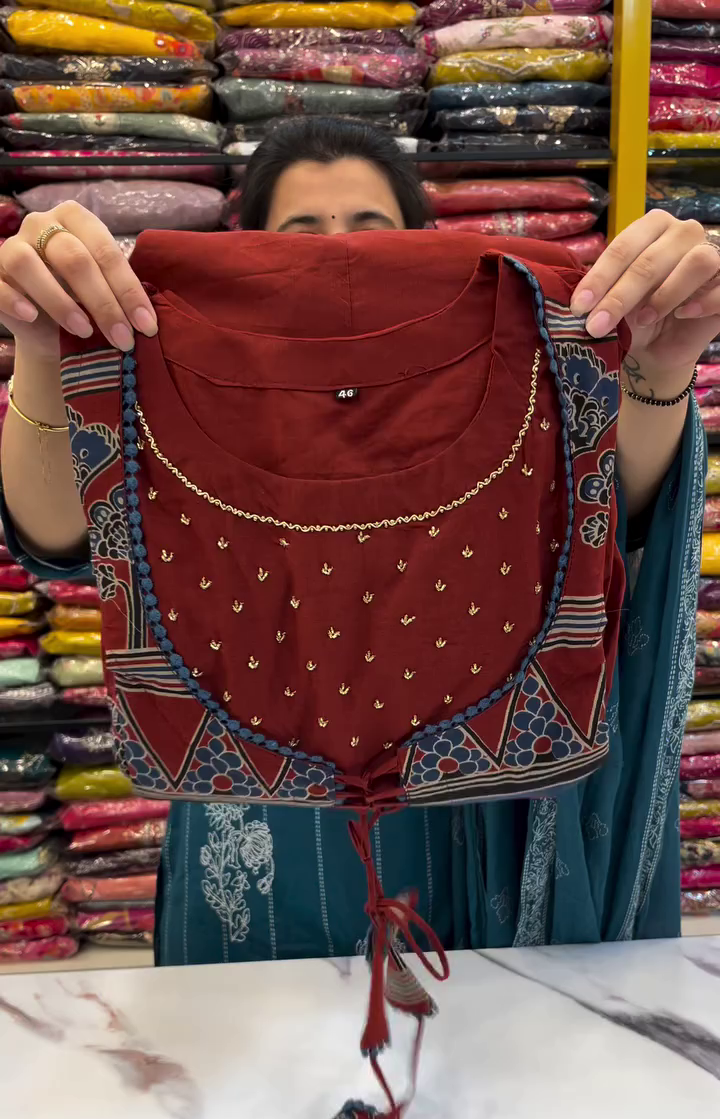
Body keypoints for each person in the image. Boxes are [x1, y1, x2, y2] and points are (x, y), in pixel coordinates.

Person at [0, 118, 712, 963]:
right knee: (242, 1042)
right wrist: (44, 348)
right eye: (299, 238)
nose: (338, 262)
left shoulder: (527, 345)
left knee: (494, 1042)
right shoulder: (164, 357)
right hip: (251, 834)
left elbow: (612, 523)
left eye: (373, 235)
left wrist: (663, 367)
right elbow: (55, 535)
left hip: (479, 817)